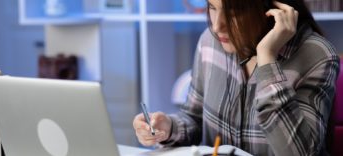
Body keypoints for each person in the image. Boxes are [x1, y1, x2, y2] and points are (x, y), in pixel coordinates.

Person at [133, 0, 340, 155]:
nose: (217, 26)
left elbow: (299, 152)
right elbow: (195, 119)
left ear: (273, 9)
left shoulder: (318, 56)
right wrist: (169, 128)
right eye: (212, 7)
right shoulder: (210, 42)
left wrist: (267, 60)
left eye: (234, 13)